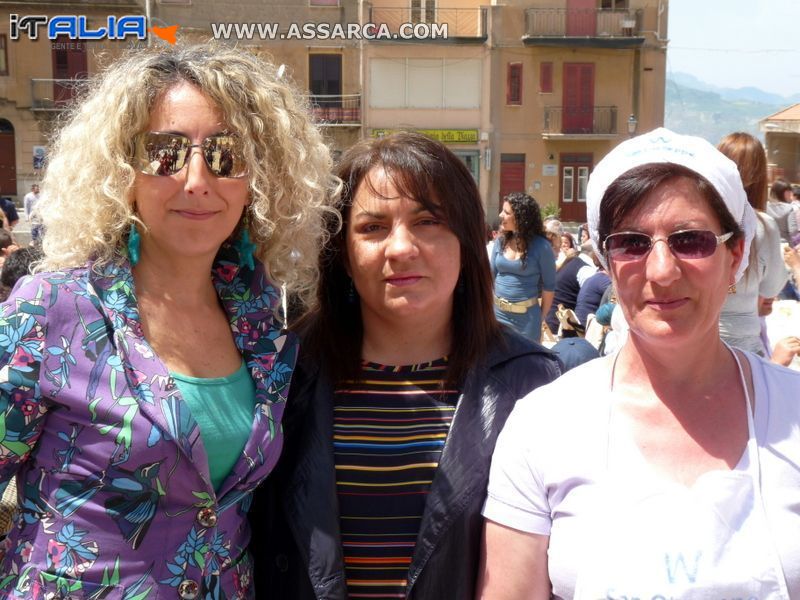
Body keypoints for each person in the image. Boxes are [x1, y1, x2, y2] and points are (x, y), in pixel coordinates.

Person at [0, 44, 337, 599]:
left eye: (226, 155)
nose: (197, 180)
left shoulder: (263, 322)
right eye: (165, 153)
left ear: (259, 177)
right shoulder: (54, 307)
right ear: (122, 168)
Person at [479, 128, 800, 598]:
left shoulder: (792, 413)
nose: (662, 271)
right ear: (607, 261)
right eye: (632, 243)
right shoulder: (542, 426)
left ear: (735, 256)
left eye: (691, 240)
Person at [250, 132, 561, 599]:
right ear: (344, 256)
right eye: (372, 228)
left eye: (428, 221)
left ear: (468, 241)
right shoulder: (282, 376)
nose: (401, 247)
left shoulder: (533, 384)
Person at [716, 132, 788, 354]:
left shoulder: (703, 218)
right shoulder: (762, 225)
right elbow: (772, 286)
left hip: (700, 340)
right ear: (759, 176)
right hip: (743, 343)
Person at [491, 192, 557, 342]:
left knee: (525, 364)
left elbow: (549, 287)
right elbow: (490, 277)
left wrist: (540, 318)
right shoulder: (500, 242)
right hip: (497, 315)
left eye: (506, 212)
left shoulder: (542, 247)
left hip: (527, 320)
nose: (501, 215)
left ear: (520, 217)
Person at [544, 240, 598, 336]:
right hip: (560, 328)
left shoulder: (572, 262)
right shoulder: (586, 270)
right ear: (595, 254)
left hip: (551, 322)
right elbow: (588, 303)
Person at [767, 178, 799, 243]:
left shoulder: (765, 206)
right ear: (781, 192)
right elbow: (793, 232)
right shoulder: (789, 208)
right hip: (785, 245)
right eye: (788, 191)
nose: (790, 194)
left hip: (768, 243)